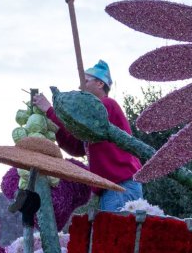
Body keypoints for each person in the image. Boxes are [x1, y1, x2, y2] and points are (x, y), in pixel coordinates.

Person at [36, 61, 145, 212]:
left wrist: (51, 111)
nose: (81, 86)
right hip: (111, 187)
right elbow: (75, 145)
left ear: (100, 83)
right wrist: (55, 126)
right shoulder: (92, 119)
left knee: (116, 233)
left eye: (85, 81)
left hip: (120, 185)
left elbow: (78, 124)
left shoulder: (106, 105)